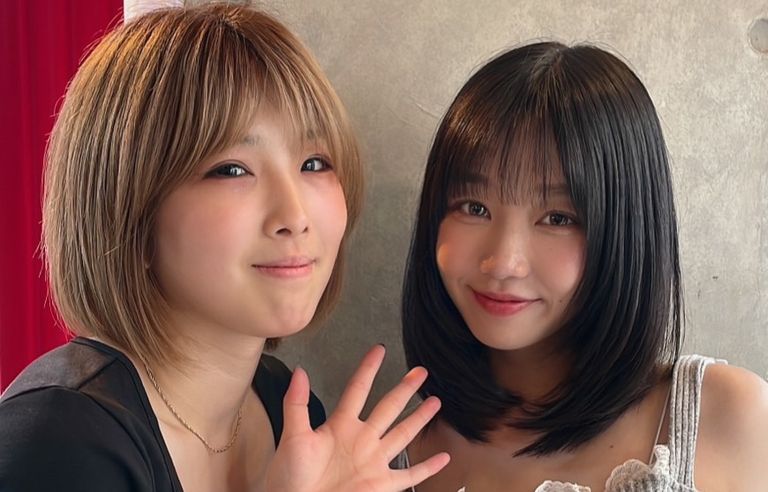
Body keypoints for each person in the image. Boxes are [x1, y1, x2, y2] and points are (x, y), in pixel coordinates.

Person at [0, 5, 448, 491]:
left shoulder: (286, 408)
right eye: (232, 169)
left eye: (315, 163)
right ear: (127, 212)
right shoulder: (55, 441)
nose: (295, 216)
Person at [397, 41, 768, 491]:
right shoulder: (399, 456)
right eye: (474, 208)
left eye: (557, 218)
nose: (503, 263)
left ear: (625, 232)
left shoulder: (727, 416)